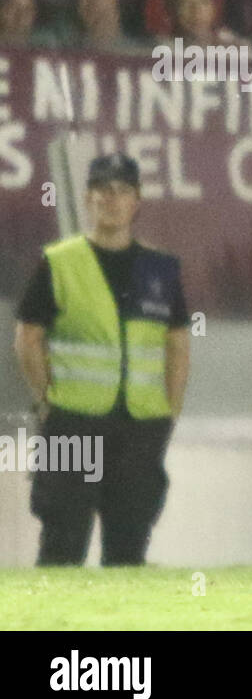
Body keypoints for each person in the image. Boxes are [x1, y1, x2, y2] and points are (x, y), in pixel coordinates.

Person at [12, 153, 190, 566]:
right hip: (70, 422)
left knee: (129, 545)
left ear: (137, 201)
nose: (112, 199)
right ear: (89, 199)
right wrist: (44, 399)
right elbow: (28, 336)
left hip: (140, 428)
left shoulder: (160, 270)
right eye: (102, 191)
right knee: (61, 541)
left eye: (122, 190)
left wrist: (169, 410)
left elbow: (178, 344)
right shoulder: (60, 262)